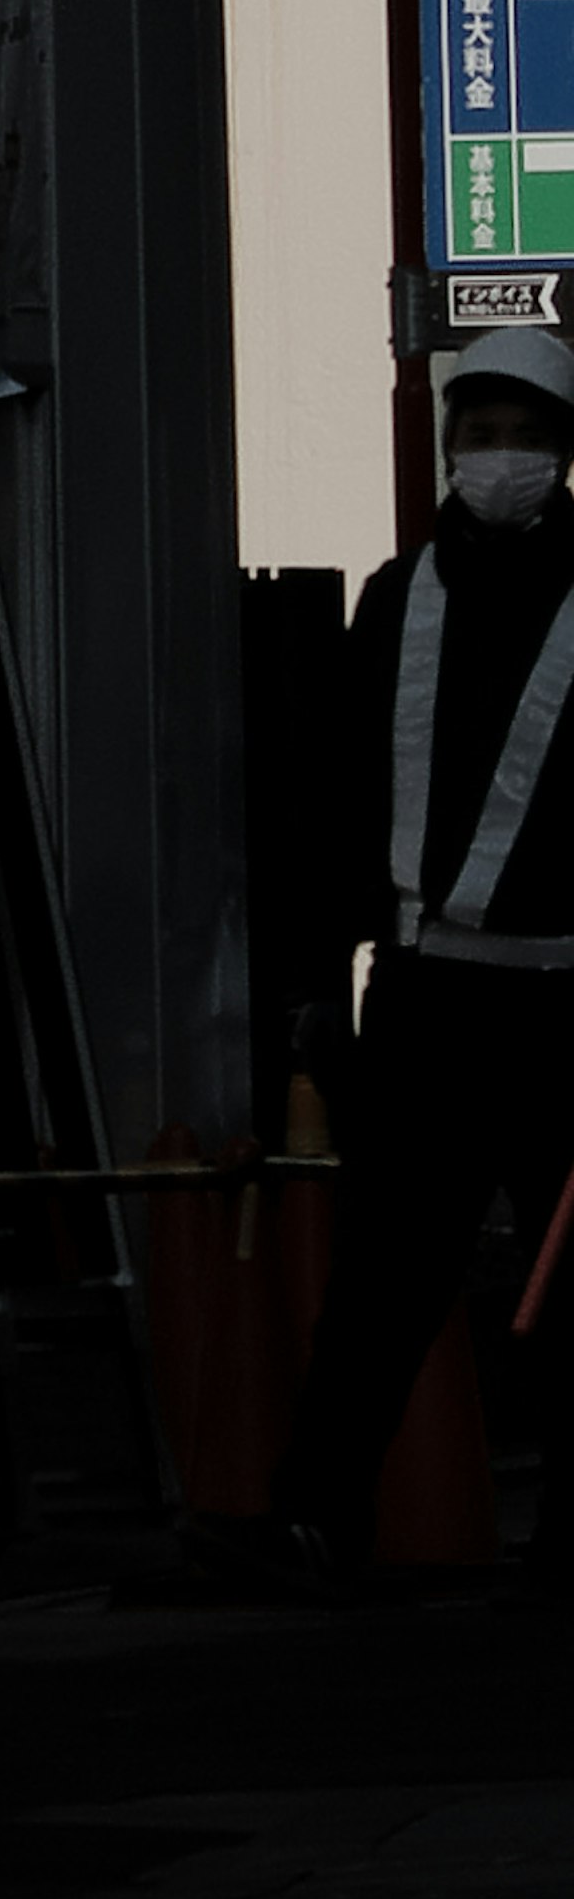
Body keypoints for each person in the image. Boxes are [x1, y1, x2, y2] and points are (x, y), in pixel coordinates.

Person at [271, 331, 574, 1579]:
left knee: (571, 1295)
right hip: (422, 994)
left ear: (562, 454)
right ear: (448, 446)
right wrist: (315, 985)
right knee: (384, 1279)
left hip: (566, 992)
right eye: (479, 434)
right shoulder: (401, 595)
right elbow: (340, 794)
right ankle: (316, 1519)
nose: (498, 460)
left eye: (524, 437)